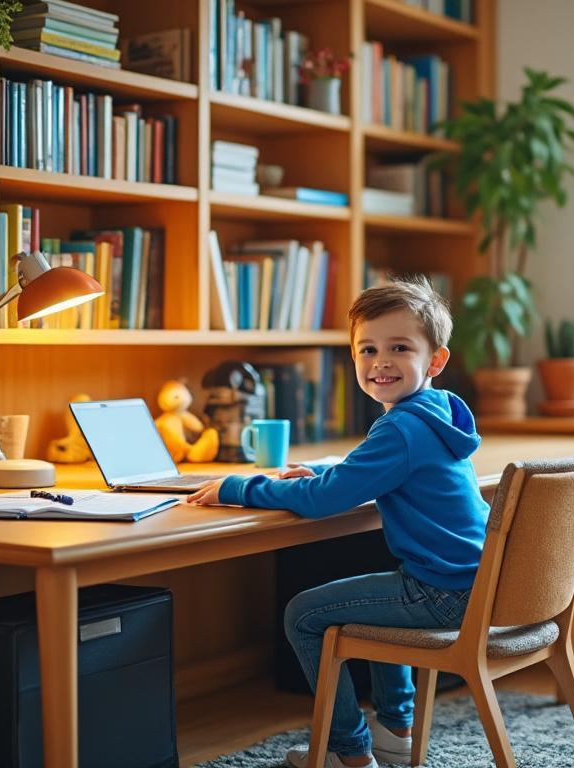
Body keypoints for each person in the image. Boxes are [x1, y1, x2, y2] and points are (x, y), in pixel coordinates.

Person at [188, 276, 488, 768]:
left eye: (399, 348)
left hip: (441, 591)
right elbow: (366, 470)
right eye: (368, 349)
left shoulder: (402, 426)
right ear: (353, 357)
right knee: (373, 602)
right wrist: (325, 470)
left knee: (302, 615)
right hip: (473, 583)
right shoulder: (436, 412)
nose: (380, 361)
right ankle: (395, 730)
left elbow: (325, 500)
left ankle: (348, 751)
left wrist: (238, 488)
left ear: (435, 360)